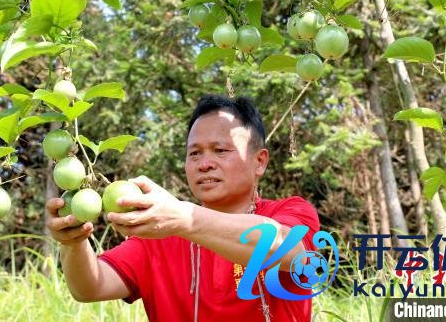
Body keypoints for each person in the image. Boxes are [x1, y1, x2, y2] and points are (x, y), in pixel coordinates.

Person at [46, 94, 320, 322]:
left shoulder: (291, 212)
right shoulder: (160, 235)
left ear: (259, 162)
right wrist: (73, 243)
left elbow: (289, 250)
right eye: (195, 153)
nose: (205, 163)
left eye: (220, 150)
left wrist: (185, 218)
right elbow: (90, 286)